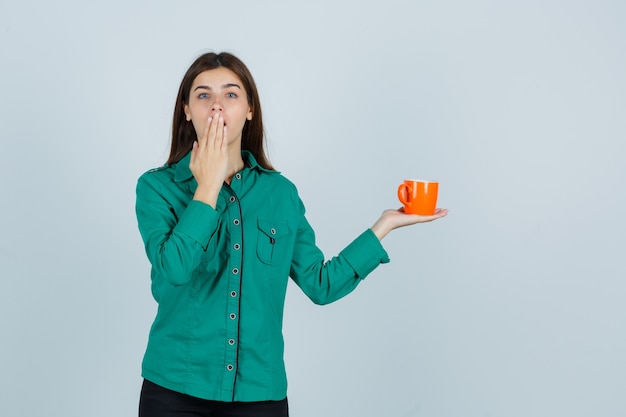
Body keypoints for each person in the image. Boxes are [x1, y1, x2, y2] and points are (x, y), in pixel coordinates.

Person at [135, 51, 448, 417]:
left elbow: (320, 284)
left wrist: (384, 225)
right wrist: (207, 186)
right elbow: (174, 269)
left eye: (231, 94)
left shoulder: (280, 194)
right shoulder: (157, 187)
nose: (217, 106)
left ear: (250, 109)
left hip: (259, 396)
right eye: (203, 95)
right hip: (174, 392)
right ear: (187, 109)